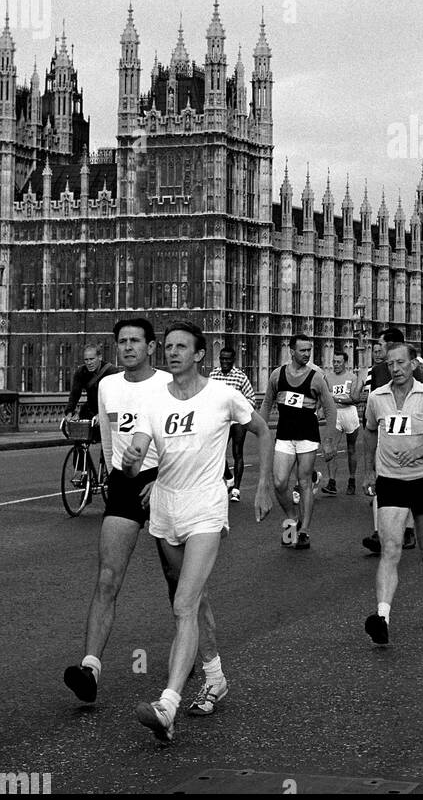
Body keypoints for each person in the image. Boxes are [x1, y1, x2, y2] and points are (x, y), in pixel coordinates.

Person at [121, 321, 274, 742]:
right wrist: (134, 462)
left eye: (181, 347)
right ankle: (215, 676)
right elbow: (136, 455)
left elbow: (261, 429)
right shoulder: (153, 400)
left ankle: (166, 704)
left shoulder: (223, 395)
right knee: (191, 598)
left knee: (184, 605)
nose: (172, 353)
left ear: (199, 354)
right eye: (168, 347)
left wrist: (262, 485)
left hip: (207, 506)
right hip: (165, 508)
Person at [63, 318, 174, 704]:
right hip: (125, 484)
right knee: (107, 578)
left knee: (180, 586)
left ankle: (204, 661)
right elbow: (110, 439)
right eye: (122, 342)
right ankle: (90, 668)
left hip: (166, 482)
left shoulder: (167, 384)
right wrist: (113, 477)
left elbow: (187, 440)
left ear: (151, 347)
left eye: (135, 341)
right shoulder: (108, 385)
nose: (128, 348)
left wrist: (162, 481)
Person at [362, 342, 423, 645]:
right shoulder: (377, 397)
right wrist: (369, 469)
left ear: (414, 364)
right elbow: (370, 430)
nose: (395, 368)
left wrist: (418, 453)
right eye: (390, 363)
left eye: (400, 363)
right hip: (391, 481)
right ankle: (382, 618)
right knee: (391, 550)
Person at [261, 334, 337, 550]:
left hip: (307, 436)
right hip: (284, 435)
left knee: (304, 482)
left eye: (309, 350)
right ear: (291, 351)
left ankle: (303, 531)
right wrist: (261, 431)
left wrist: (329, 441)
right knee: (279, 482)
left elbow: (330, 409)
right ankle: (292, 517)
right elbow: (266, 404)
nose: (307, 354)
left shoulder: (316, 377)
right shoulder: (278, 375)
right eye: (302, 350)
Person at [361, 330, 416, 553]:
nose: (379, 349)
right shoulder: (376, 371)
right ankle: (378, 533)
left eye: (382, 344)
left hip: (411, 440)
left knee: (409, 486)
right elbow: (373, 407)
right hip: (385, 439)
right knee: (381, 486)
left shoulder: (417, 370)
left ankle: (409, 529)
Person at [207, 343, 256, 502]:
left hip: (237, 421)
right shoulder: (213, 376)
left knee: (237, 452)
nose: (224, 362)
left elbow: (251, 399)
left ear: (233, 360)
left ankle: (236, 490)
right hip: (221, 420)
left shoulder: (240, 376)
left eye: (228, 359)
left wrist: (238, 408)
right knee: (217, 453)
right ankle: (229, 478)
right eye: (222, 359)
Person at [321, 348, 363, 495]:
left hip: (349, 413)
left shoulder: (352, 378)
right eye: (334, 362)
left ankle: (352, 481)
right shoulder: (327, 378)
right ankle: (332, 482)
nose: (336, 364)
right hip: (335, 414)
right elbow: (324, 397)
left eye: (339, 362)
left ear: (345, 363)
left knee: (351, 448)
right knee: (331, 448)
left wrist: (337, 399)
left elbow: (354, 399)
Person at [62, 342, 117, 430]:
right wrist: (69, 412)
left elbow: (115, 397)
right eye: (86, 360)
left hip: (109, 410)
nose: (89, 363)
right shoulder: (81, 372)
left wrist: (102, 414)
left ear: (100, 357)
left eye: (92, 359)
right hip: (90, 409)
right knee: (80, 436)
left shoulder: (111, 371)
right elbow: (75, 394)